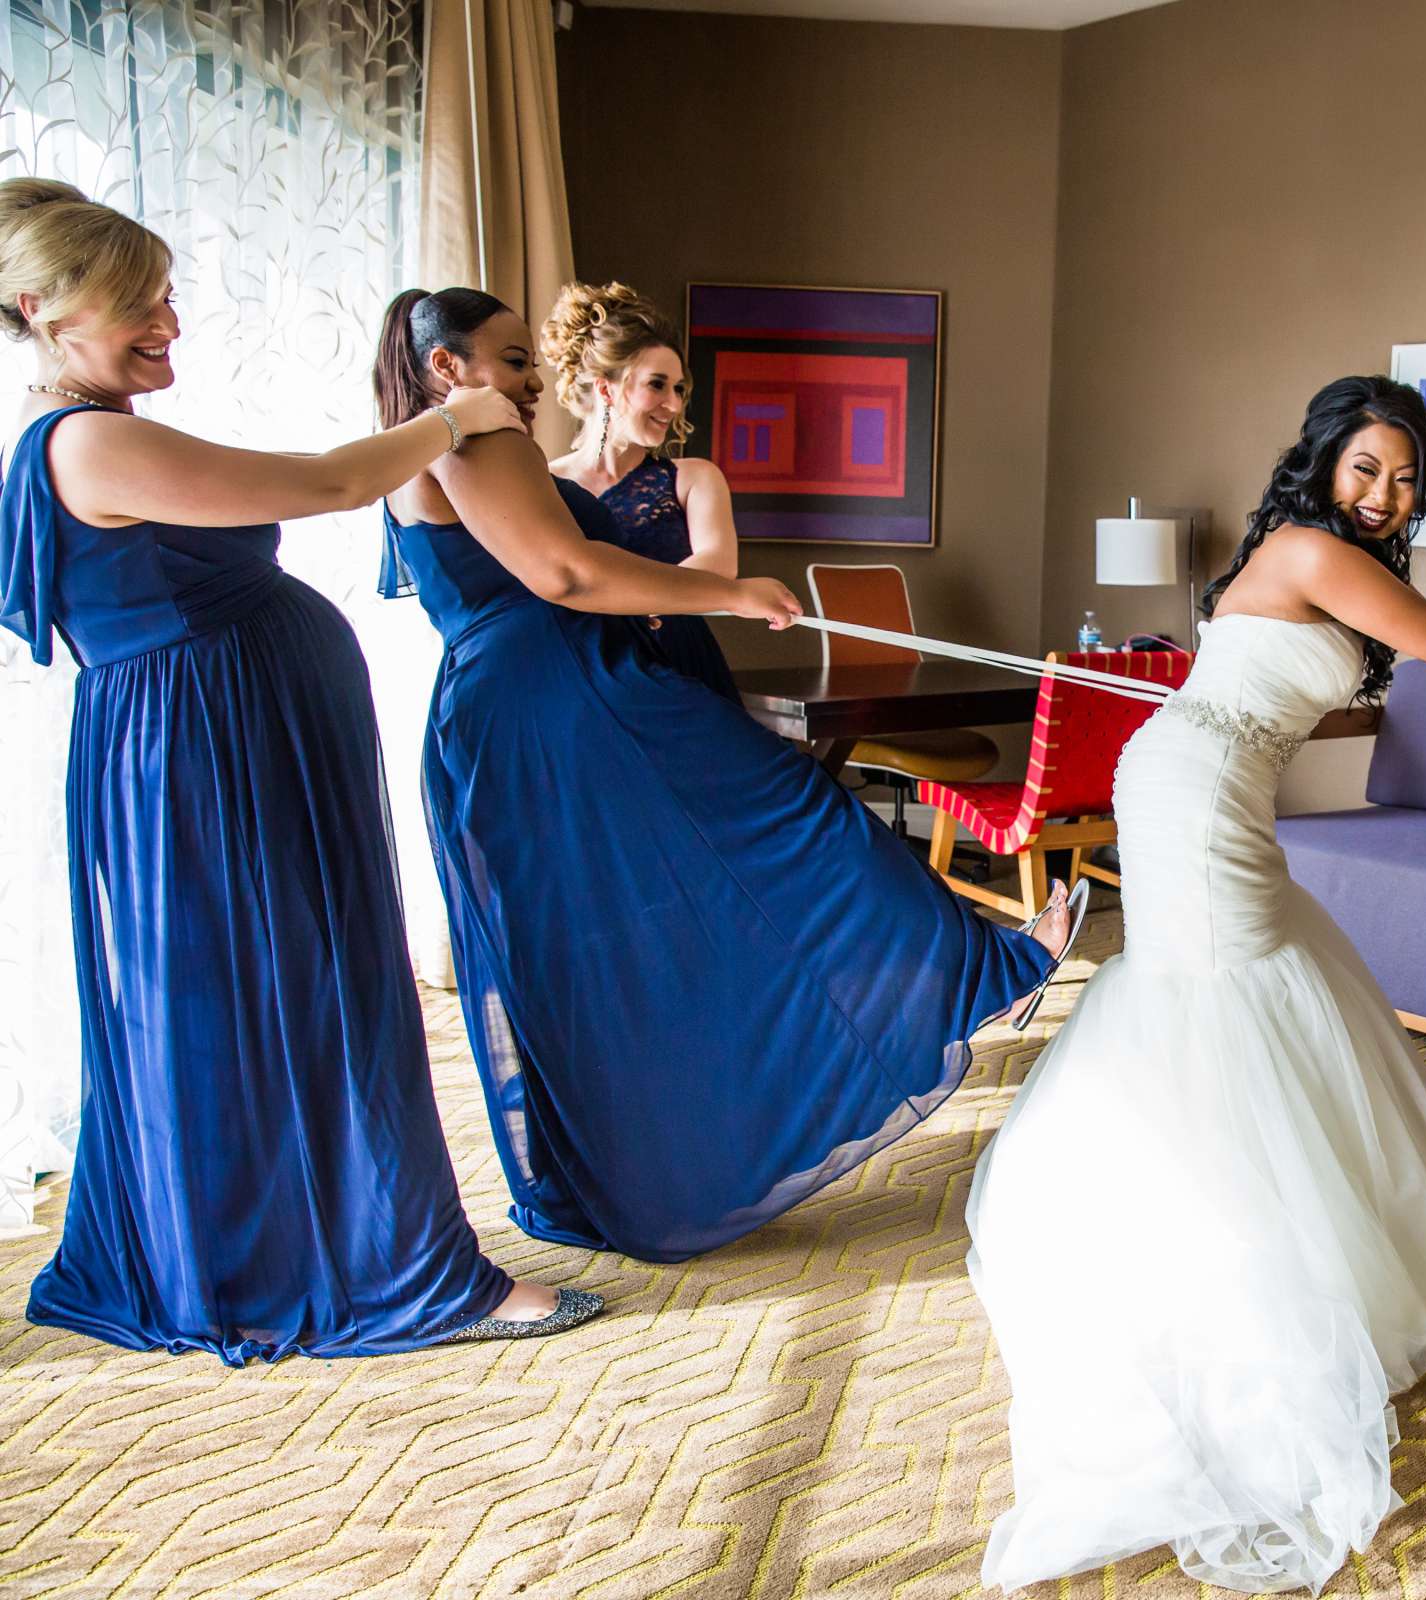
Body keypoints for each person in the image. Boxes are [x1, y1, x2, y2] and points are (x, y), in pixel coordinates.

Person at [967, 376, 1426, 1593]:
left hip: (1217, 780)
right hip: (1197, 787)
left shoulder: (1323, 550)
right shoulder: (1310, 546)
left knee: (1264, 988)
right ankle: (1232, 1265)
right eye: (1367, 467)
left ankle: (1290, 1230)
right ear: (1325, 463)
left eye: (1407, 474)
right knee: (1220, 999)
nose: (1387, 493)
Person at [0, 178, 593, 1360]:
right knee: (299, 999)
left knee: (265, 1001)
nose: (167, 321)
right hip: (208, 762)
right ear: (41, 312)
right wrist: (460, 416)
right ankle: (395, 1269)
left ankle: (276, 1245)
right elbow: (326, 483)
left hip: (210, 747)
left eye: (166, 294)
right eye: (136, 305)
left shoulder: (83, 431)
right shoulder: (90, 440)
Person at [373, 287, 1085, 1265]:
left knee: (605, 946)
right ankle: (977, 975)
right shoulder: (470, 434)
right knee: (786, 824)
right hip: (559, 700)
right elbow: (566, 575)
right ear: (446, 365)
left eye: (532, 365)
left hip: (526, 704)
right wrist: (731, 595)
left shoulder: (434, 439)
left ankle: (635, 1175)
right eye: (509, 361)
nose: (527, 382)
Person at [539, 280, 738, 699]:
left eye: (678, 388)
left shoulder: (694, 477)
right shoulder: (543, 483)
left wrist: (627, 600)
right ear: (608, 389)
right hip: (583, 675)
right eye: (657, 384)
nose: (674, 403)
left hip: (678, 664)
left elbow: (719, 567)